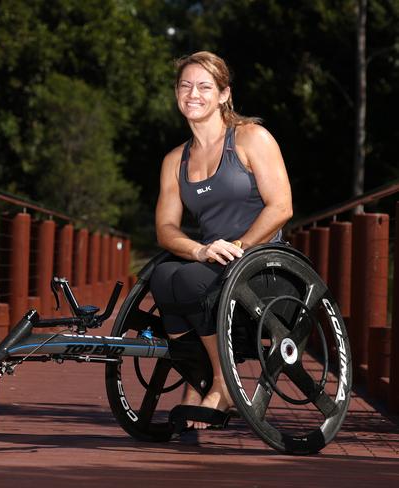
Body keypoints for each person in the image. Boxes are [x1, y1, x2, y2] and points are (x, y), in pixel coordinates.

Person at [150, 51, 293, 429]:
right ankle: (200, 376)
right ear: (176, 93)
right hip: (214, 259)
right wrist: (199, 249)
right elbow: (166, 229)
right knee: (163, 277)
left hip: (263, 263)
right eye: (185, 86)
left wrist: (241, 248)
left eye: (204, 86)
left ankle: (223, 383)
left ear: (224, 94)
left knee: (189, 280)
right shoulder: (174, 161)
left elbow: (281, 207)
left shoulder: (251, 138)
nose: (193, 94)